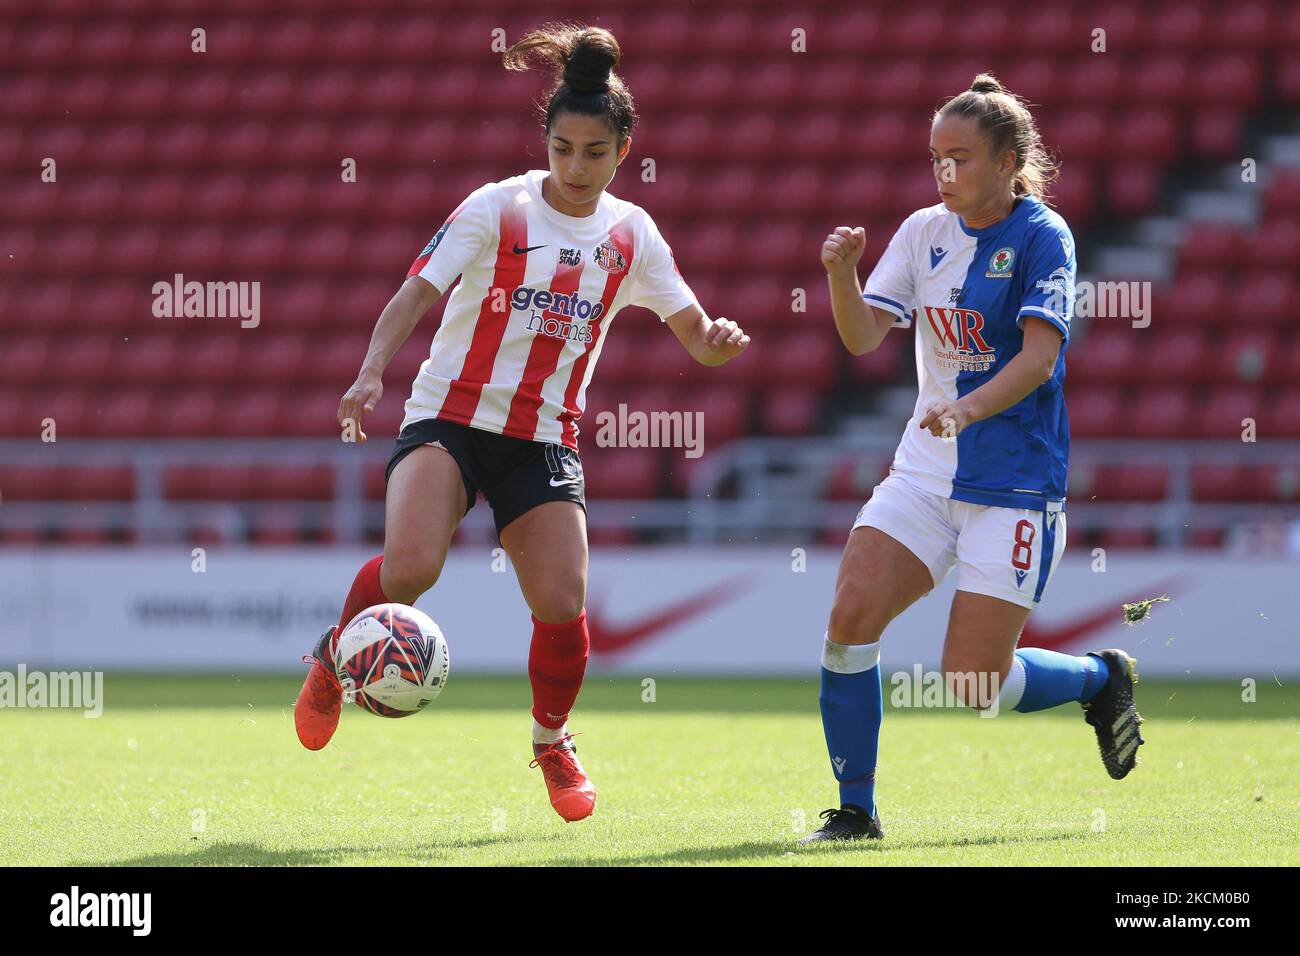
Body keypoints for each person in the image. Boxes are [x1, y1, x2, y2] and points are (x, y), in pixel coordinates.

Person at [292, 23, 750, 824]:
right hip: (449, 416)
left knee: (563, 598)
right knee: (408, 570)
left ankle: (550, 741)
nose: (576, 168)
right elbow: (414, 295)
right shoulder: (495, 207)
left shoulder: (632, 235)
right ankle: (335, 661)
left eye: (594, 152)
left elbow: (695, 336)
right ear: (545, 141)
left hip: (542, 437)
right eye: (563, 149)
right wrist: (371, 372)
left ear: (624, 148)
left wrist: (714, 343)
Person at [803, 74, 1142, 843]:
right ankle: (856, 810)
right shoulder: (924, 231)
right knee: (849, 618)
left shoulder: (1043, 237)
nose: (945, 173)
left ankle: (1099, 678)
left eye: (960, 158)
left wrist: (967, 406)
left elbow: (1039, 359)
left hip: (1014, 483)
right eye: (935, 159)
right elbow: (861, 337)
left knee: (972, 684)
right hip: (925, 471)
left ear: (1008, 160)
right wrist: (840, 276)